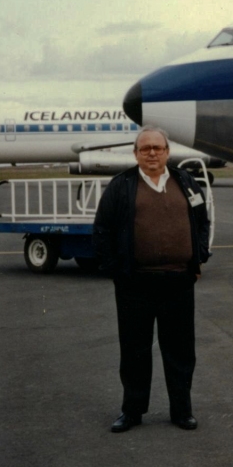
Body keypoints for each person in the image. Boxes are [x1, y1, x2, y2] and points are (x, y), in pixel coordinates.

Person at [92, 125, 211, 432]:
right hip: (135, 284)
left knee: (181, 351)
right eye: (145, 149)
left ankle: (181, 410)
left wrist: (198, 259)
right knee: (134, 350)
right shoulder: (121, 186)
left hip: (178, 281)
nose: (152, 154)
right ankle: (132, 411)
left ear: (168, 152)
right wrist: (116, 272)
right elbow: (102, 230)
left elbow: (201, 222)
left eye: (158, 148)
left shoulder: (186, 183)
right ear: (136, 154)